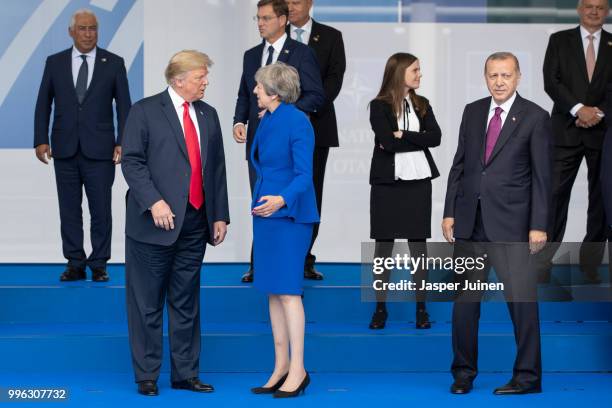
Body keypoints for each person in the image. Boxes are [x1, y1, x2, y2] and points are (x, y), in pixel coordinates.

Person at [121, 50, 229, 396]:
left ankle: (185, 373)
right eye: (200, 77)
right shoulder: (144, 111)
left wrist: (220, 214)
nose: (206, 82)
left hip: (196, 224)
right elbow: (132, 163)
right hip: (152, 226)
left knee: (186, 302)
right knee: (147, 303)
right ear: (177, 79)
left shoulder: (209, 114)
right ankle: (147, 375)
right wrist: (154, 201)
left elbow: (217, 170)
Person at [443, 52, 552, 395]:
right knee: (464, 306)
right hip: (470, 224)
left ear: (518, 77)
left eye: (506, 75)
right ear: (485, 77)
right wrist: (449, 211)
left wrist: (539, 224)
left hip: (514, 226)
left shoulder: (535, 117)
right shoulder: (472, 112)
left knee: (521, 304)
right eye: (493, 75)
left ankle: (527, 378)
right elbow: (459, 165)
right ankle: (463, 374)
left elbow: (542, 177)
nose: (499, 81)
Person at [34, 9, 131, 282]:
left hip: (101, 151)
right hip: (64, 149)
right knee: (69, 209)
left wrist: (123, 141)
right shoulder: (54, 63)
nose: (88, 34)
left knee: (101, 209)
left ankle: (99, 263)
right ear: (71, 32)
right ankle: (75, 262)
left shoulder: (113, 63)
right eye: (83, 29)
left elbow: (125, 106)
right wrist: (41, 139)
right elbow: (44, 103)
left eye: (93, 29)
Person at [233, 0, 324, 283]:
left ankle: (295, 263)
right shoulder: (251, 55)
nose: (260, 23)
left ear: (283, 19)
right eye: (257, 18)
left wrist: (283, 112)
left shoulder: (302, 53)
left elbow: (316, 95)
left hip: (286, 141)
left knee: (288, 200)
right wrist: (239, 121)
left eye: (266, 18)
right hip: (259, 144)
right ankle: (259, 263)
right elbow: (244, 95)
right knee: (260, 199)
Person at [248, 62, 319, 398]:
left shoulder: (298, 122)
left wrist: (281, 200)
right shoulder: (268, 119)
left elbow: (305, 176)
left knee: (289, 291)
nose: (255, 91)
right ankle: (280, 365)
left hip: (289, 215)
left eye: (259, 86)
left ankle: (299, 368)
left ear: (274, 91)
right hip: (266, 214)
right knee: (273, 290)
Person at [367, 53, 441, 330]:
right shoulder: (378, 106)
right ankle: (380, 308)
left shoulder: (422, 104)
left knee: (418, 247)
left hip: (419, 181)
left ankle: (422, 308)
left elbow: (436, 138)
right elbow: (387, 141)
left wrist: (403, 135)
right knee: (383, 247)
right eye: (415, 70)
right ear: (399, 73)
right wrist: (405, 139)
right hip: (388, 183)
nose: (420, 75)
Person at [542, 0, 612, 283]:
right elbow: (552, 80)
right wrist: (578, 109)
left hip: (603, 131)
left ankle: (590, 265)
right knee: (554, 198)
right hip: (565, 130)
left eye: (600, 7)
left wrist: (598, 113)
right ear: (579, 8)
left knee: (600, 202)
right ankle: (541, 262)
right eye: (588, 6)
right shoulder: (559, 40)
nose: (594, 11)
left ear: (607, 11)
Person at [286, 0, 346, 280]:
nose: (290, 6)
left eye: (295, 1)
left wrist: (308, 108)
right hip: (279, 127)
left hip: (316, 125)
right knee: (273, 190)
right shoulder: (275, 34)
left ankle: (304, 257)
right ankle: (263, 259)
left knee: (311, 192)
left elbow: (334, 80)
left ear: (309, 3)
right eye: (285, 2)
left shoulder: (331, 36)